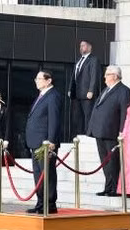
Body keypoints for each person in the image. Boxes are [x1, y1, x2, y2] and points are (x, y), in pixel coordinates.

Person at [87, 65, 130, 197]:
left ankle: (114, 188)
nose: (104, 77)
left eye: (107, 74)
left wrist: (122, 130)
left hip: (111, 131)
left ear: (115, 76)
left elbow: (124, 112)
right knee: (105, 161)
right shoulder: (106, 89)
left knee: (113, 161)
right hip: (100, 131)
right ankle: (108, 186)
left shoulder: (123, 91)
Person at [25, 70, 62, 215]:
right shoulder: (41, 96)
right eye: (36, 78)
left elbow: (54, 120)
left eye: (39, 78)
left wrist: (51, 140)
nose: (36, 81)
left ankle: (50, 203)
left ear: (48, 80)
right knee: (38, 174)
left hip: (45, 142)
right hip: (35, 141)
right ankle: (41, 202)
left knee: (47, 173)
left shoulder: (53, 96)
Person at [68, 40, 100, 136]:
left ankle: (88, 133)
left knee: (88, 115)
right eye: (80, 46)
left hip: (87, 93)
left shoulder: (93, 59)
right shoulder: (78, 60)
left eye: (84, 45)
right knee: (78, 116)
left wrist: (91, 90)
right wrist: (70, 88)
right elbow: (74, 76)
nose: (81, 47)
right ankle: (79, 134)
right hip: (77, 93)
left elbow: (94, 76)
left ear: (90, 47)